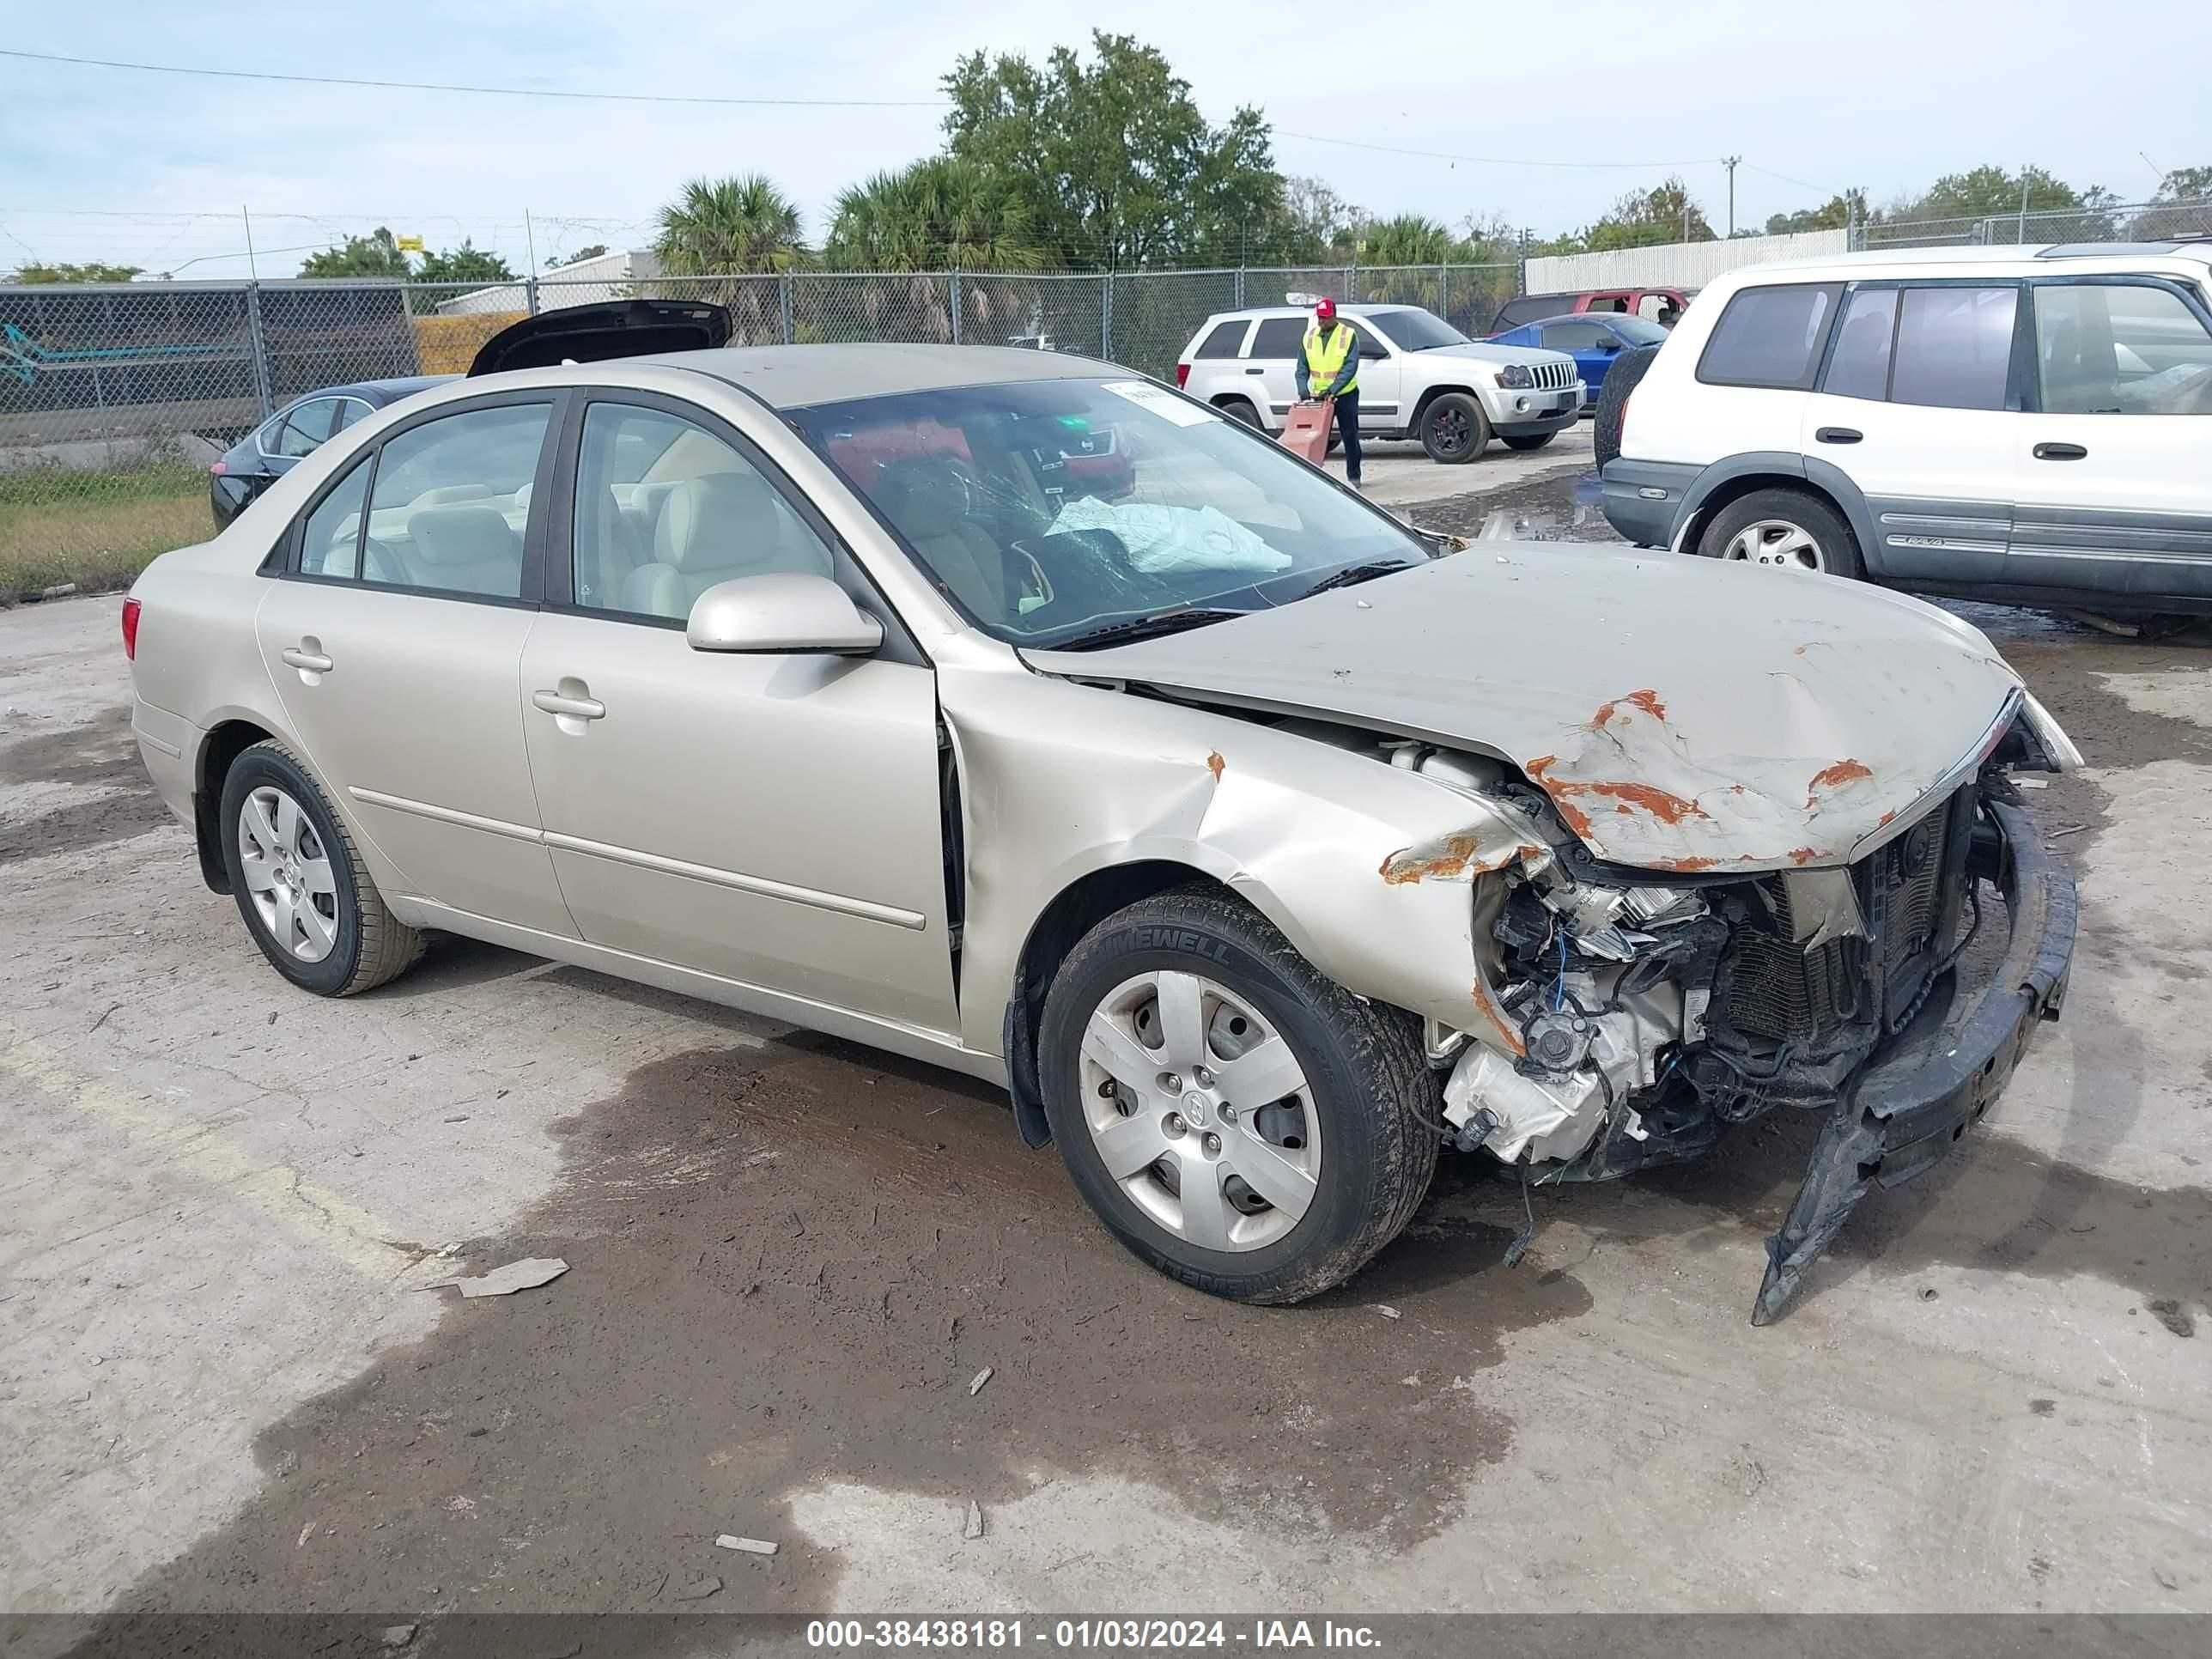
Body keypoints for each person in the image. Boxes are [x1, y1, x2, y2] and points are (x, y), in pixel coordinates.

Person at [1295, 298, 1362, 489]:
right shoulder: (1309, 337)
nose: (1322, 321)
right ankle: (1315, 476)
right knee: (1315, 438)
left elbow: (1350, 367)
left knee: (1349, 435)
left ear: (1334, 316)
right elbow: (1302, 367)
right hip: (1318, 397)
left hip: (1344, 394)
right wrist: (1303, 388)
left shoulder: (1348, 335)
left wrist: (1333, 389)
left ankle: (1354, 476)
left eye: (1325, 318)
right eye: (1320, 318)